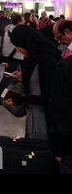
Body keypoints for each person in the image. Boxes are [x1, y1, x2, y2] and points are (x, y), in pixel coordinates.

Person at [7, 25, 61, 140]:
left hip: (45, 121)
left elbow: (52, 97)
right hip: (33, 116)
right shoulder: (32, 58)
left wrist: (24, 99)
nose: (17, 49)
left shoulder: (47, 60)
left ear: (28, 42)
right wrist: (23, 77)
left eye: (18, 45)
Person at [48, 20, 72, 174]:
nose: (58, 41)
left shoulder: (67, 65)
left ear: (68, 32)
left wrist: (57, 145)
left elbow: (61, 104)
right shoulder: (66, 54)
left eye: (59, 37)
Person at [0, 14, 25, 104]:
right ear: (19, 21)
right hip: (17, 56)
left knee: (7, 79)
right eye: (22, 19)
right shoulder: (19, 30)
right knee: (11, 79)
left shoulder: (7, 28)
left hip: (8, 56)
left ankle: (0, 98)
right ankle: (2, 98)